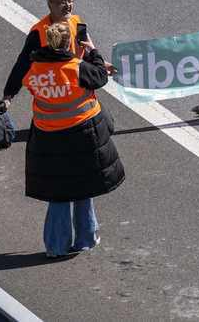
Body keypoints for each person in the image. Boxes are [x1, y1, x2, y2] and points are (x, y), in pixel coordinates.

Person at [24, 21, 125, 257]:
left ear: (49, 41)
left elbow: (32, 86)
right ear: (70, 42)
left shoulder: (36, 68)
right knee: (83, 185)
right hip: (82, 136)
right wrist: (92, 50)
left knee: (58, 193)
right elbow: (100, 77)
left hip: (47, 140)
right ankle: (85, 238)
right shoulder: (76, 67)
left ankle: (55, 247)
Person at [0, 0, 114, 110]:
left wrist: (101, 62)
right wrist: (8, 95)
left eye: (70, 1)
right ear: (50, 5)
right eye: (62, 2)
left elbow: (80, 52)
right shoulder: (39, 32)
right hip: (55, 91)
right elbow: (22, 65)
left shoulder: (75, 21)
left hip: (75, 88)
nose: (68, 6)